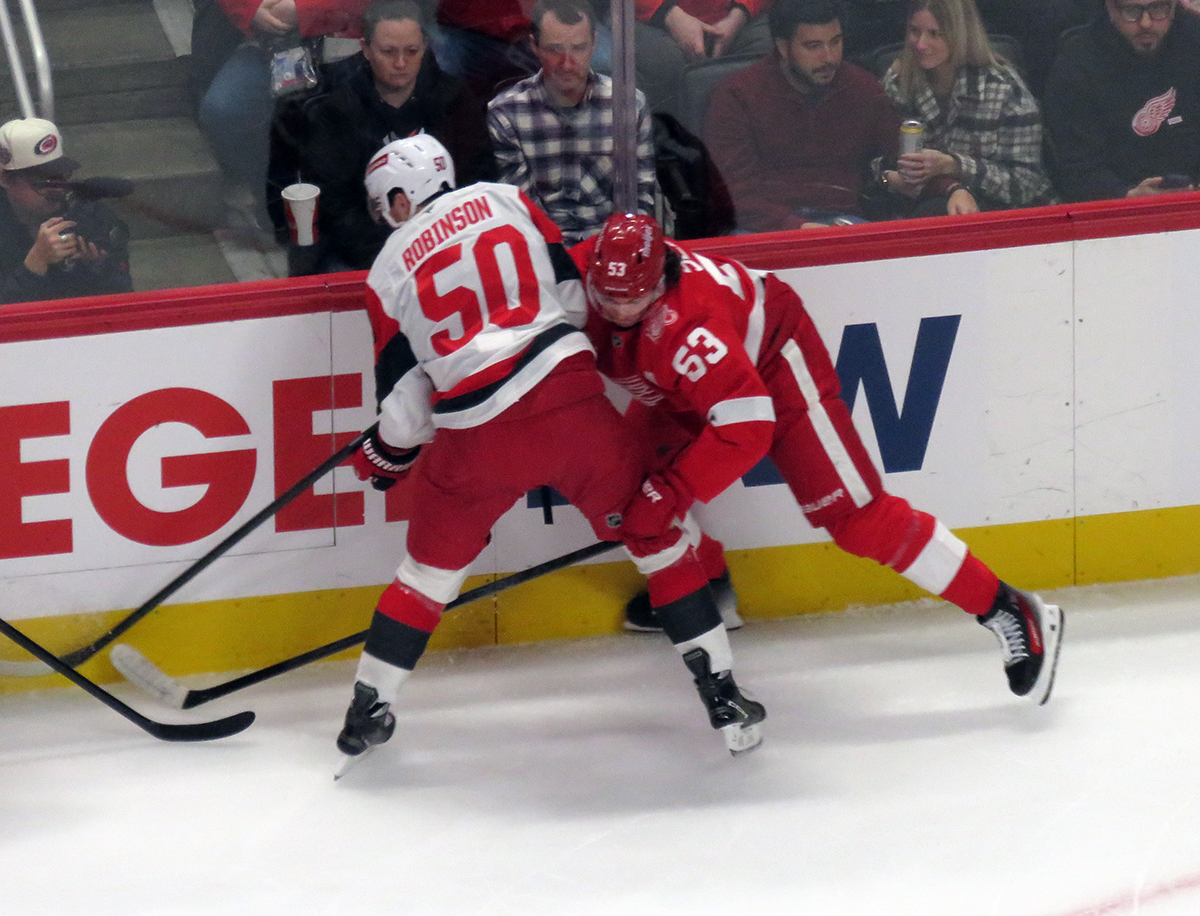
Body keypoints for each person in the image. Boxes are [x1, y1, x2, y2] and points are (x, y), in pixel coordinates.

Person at [336, 135, 765, 765]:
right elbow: (570, 300)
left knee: (425, 578)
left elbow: (406, 407)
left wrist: (385, 453)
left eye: (386, 205)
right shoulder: (507, 199)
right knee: (658, 538)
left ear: (400, 198)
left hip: (475, 436)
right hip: (571, 405)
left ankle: (366, 711)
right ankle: (722, 695)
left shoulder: (384, 272)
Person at [572, 212, 1065, 705]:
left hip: (772, 367)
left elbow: (745, 429)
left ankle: (1008, 608)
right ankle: (711, 588)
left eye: (634, 299)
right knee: (630, 482)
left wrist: (672, 493)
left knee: (857, 519)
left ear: (661, 281)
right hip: (687, 388)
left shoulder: (691, 325)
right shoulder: (576, 273)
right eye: (608, 298)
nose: (619, 311)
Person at [278, 0, 492, 273]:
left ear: (425, 45)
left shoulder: (454, 99)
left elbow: (480, 179)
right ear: (366, 49)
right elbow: (335, 208)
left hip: (449, 243)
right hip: (366, 253)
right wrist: (397, 253)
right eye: (388, 52)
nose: (401, 63)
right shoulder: (336, 111)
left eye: (411, 51)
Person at [704, 0, 902, 231]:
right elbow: (732, 193)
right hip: (763, 226)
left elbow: (897, 157)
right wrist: (797, 227)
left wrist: (933, 179)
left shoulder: (862, 88)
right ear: (783, 47)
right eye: (813, 46)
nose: (829, 57)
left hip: (841, 221)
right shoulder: (738, 96)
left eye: (835, 42)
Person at [487, 0, 658, 245]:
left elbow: (639, 204)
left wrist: (619, 250)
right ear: (534, 46)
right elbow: (523, 215)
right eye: (554, 49)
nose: (567, 64)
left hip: (615, 246)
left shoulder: (629, 105)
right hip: (545, 251)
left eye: (578, 48)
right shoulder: (506, 114)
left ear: (594, 43)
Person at [874, 0, 1056, 216]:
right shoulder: (898, 82)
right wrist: (890, 178)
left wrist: (954, 165)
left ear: (961, 35)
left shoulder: (1003, 88)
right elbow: (874, 159)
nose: (921, 45)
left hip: (1007, 211)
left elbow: (1026, 184)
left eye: (935, 34)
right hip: (927, 206)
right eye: (915, 31)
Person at [1042, 0, 1200, 201]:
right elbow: (1076, 169)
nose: (1146, 23)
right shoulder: (1077, 65)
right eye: (1132, 11)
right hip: (1118, 205)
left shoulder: (1194, 40)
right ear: (1110, 7)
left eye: (1158, 8)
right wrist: (1125, 195)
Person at [0, 118, 132, 305]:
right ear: (5, 179)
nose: (57, 190)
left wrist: (100, 268)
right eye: (42, 182)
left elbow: (126, 301)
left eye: (61, 178)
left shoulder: (89, 217)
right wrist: (34, 264)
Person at [630, 0, 774, 121]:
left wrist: (739, 16)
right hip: (651, 19)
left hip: (740, 17)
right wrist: (669, 15)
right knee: (664, 62)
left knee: (770, 50)